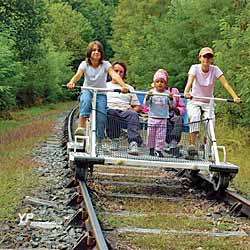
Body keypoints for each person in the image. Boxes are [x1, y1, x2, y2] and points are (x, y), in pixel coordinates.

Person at [67, 41, 128, 149]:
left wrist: (123, 86)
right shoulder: (84, 64)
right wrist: (72, 82)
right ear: (89, 52)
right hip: (88, 90)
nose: (96, 52)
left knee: (101, 117)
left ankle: (99, 141)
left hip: (100, 93)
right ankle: (81, 128)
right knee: (85, 101)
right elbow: (78, 75)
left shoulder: (106, 65)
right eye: (94, 50)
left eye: (99, 50)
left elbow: (114, 75)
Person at [184, 47, 240, 155]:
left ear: (212, 59)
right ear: (200, 58)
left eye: (209, 57)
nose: (206, 59)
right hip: (194, 100)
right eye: (204, 56)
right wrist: (186, 92)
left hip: (208, 102)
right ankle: (192, 145)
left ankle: (206, 147)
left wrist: (235, 97)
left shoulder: (215, 69)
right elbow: (190, 81)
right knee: (195, 117)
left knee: (209, 122)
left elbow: (225, 84)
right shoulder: (194, 68)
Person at [106, 61, 143, 155]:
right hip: (110, 111)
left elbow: (138, 106)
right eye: (116, 71)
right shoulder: (104, 86)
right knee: (110, 112)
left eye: (121, 72)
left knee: (133, 114)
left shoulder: (129, 88)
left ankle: (133, 143)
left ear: (124, 74)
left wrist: (132, 110)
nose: (118, 74)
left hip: (124, 113)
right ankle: (114, 139)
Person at [156, 69, 186, 157]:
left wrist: (174, 108)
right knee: (162, 122)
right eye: (158, 80)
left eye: (163, 80)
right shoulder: (153, 92)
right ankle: (168, 145)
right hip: (160, 116)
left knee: (179, 119)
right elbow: (146, 108)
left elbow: (182, 108)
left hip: (172, 115)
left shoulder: (174, 91)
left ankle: (173, 144)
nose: (160, 83)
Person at [145, 70, 172, 157]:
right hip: (152, 117)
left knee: (161, 136)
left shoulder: (167, 94)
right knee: (150, 134)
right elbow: (146, 104)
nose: (160, 84)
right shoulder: (151, 92)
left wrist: (171, 98)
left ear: (166, 84)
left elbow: (171, 105)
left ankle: (159, 150)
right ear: (154, 83)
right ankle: (151, 149)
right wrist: (148, 97)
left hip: (163, 118)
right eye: (157, 81)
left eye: (162, 82)